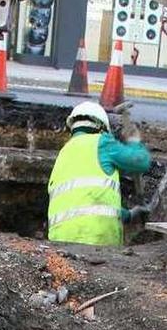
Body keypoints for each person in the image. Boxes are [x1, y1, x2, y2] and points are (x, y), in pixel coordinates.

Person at [48, 102, 152, 247]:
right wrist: (134, 141)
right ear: (102, 127)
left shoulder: (64, 153)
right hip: (96, 239)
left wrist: (128, 215)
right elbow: (141, 161)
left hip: (59, 241)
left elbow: (82, 204)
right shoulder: (102, 143)